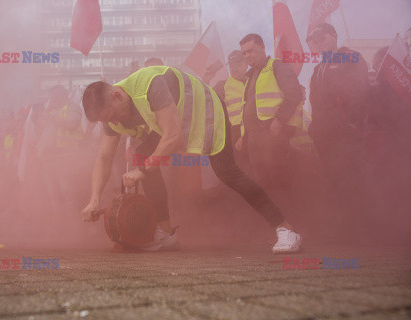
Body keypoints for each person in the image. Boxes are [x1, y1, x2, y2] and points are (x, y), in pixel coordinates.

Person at [80, 65, 302, 253]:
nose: (114, 122)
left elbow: (174, 137)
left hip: (206, 110)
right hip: (173, 123)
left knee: (228, 172)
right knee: (143, 158)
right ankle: (166, 233)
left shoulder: (151, 85)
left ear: (116, 95)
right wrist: (94, 199)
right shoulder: (111, 116)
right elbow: (104, 158)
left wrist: (143, 170)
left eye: (113, 116)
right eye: (107, 121)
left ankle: (286, 229)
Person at [306, 23, 371, 231]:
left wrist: (351, 123)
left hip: (345, 134)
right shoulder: (317, 69)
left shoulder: (350, 57)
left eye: (322, 39)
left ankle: (364, 228)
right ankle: (347, 227)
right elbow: (315, 103)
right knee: (334, 180)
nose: (319, 45)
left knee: (352, 178)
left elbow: (361, 92)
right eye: (315, 42)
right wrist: (314, 129)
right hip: (324, 136)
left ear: (333, 36)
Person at [237, 34, 304, 191]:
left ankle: (287, 214)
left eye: (251, 51)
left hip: (272, 133)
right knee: (261, 182)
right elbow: (248, 108)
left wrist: (278, 120)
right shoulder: (250, 76)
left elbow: (294, 94)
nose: (247, 55)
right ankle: (272, 215)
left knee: (278, 179)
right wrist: (243, 135)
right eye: (244, 53)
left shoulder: (277, 66)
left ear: (262, 47)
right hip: (253, 137)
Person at [37, 85, 84, 215]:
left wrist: (51, 117)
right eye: (52, 97)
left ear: (65, 94)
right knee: (54, 195)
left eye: (56, 96)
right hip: (49, 158)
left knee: (67, 192)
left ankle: (73, 226)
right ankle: (59, 225)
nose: (54, 99)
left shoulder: (72, 107)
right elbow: (45, 135)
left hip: (65, 157)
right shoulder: (52, 112)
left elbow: (72, 123)